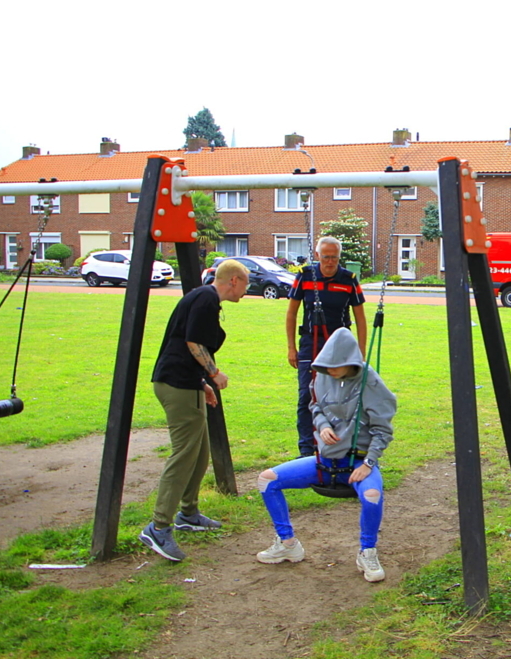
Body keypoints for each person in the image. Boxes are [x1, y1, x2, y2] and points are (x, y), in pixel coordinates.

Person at [255, 327, 396, 582]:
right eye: (326, 364)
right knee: (267, 479)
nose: (330, 369)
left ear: (350, 362)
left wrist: (369, 463)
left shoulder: (371, 383)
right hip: (324, 462)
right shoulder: (320, 377)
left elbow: (383, 430)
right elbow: (315, 405)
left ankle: (367, 552)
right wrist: (323, 425)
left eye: (336, 365)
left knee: (373, 495)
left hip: (358, 463)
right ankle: (287, 544)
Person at [139, 259, 250, 562]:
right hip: (175, 385)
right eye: (246, 283)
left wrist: (202, 384)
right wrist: (214, 374)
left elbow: (183, 342)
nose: (246, 290)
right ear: (234, 281)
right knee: (185, 453)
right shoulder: (205, 298)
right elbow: (192, 342)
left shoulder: (204, 299)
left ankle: (188, 513)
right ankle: (158, 527)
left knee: (200, 452)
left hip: (187, 384)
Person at [286, 236, 367, 458]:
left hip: (340, 346)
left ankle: (338, 444)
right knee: (306, 394)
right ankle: (306, 448)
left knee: (340, 395)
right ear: (317, 255)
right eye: (326, 257)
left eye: (334, 257)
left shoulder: (348, 279)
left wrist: (360, 351)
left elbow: (360, 318)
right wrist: (291, 347)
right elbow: (291, 313)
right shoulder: (304, 276)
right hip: (311, 342)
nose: (330, 262)